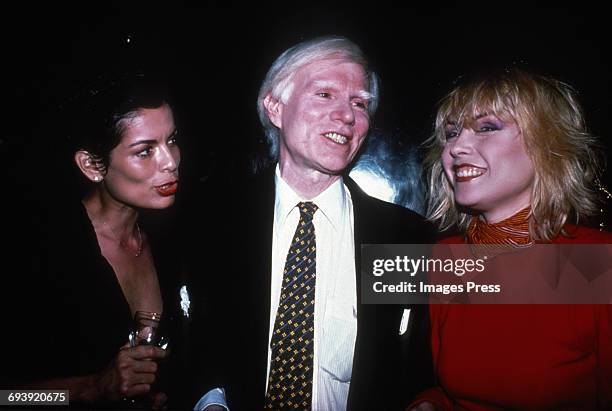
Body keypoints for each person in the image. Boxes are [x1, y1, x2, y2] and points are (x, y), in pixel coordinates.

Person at [190, 35, 435, 410]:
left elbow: (422, 368)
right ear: (275, 107)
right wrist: (210, 400)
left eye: (359, 103)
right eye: (325, 95)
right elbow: (195, 338)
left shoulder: (404, 238)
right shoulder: (213, 221)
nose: (347, 115)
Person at [409, 68, 612, 410]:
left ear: (546, 145)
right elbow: (452, 391)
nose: (457, 147)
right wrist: (431, 404)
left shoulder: (598, 262)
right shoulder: (445, 258)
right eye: (451, 133)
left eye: (487, 127)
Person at [4, 73, 189, 409]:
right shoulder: (38, 254)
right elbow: (10, 396)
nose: (171, 161)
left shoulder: (176, 240)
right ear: (92, 166)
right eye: (145, 150)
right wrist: (91, 388)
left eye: (172, 140)